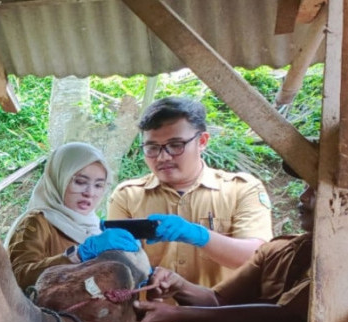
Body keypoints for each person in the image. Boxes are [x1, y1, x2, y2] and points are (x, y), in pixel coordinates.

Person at [129, 163, 315, 322]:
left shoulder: (340, 266)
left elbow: (287, 318)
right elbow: (217, 301)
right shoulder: (280, 251)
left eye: (316, 190)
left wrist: (177, 314)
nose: (303, 197)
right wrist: (179, 286)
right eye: (305, 187)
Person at [107, 97, 274, 290]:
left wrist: (201, 236)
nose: (163, 157)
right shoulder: (127, 196)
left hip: (222, 317)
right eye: (152, 148)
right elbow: (118, 264)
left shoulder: (242, 189)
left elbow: (257, 258)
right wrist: (150, 275)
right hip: (150, 316)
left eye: (176, 145)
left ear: (202, 141)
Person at [6, 142, 141, 290]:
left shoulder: (95, 226)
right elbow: (18, 277)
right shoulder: (37, 222)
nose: (89, 193)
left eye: (98, 185)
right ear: (59, 179)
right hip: (45, 313)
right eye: (80, 182)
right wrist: (76, 256)